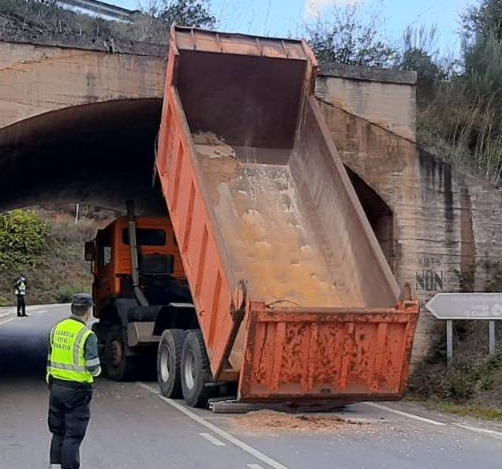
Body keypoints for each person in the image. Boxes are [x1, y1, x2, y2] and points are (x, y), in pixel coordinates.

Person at [46, 293, 101, 469]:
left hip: (56, 388)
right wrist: (98, 371)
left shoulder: (57, 328)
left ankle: (55, 466)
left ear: (72, 308)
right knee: (73, 435)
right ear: (88, 311)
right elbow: (93, 367)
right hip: (77, 391)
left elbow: (50, 358)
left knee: (58, 432)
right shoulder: (87, 335)